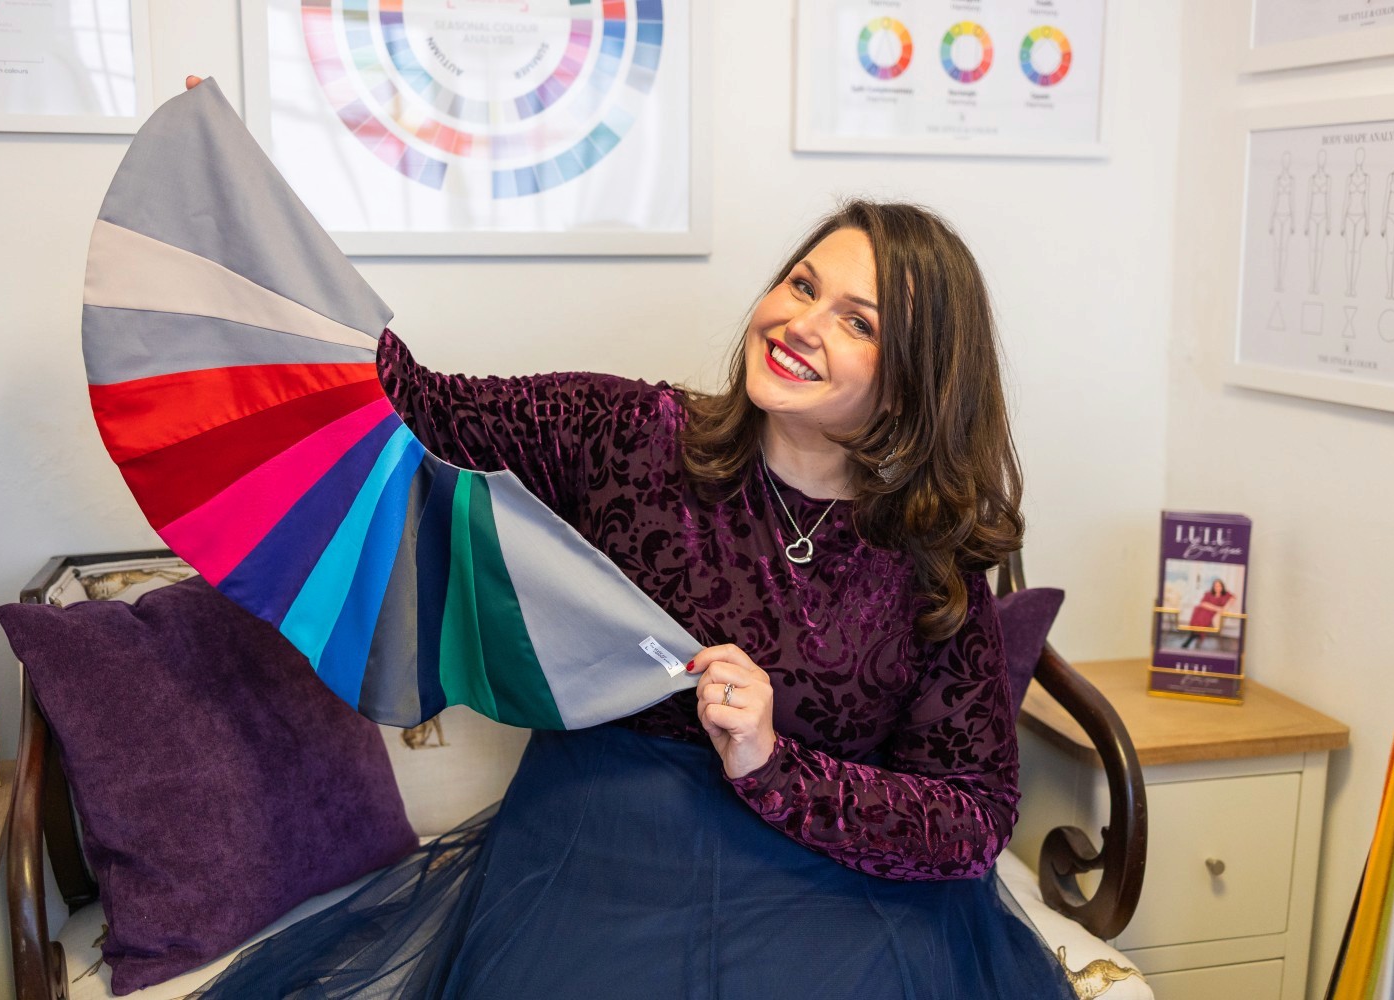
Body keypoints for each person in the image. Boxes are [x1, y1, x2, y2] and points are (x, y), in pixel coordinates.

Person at [181, 79, 1072, 1000]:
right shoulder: (625, 432)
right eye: (803, 285)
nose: (801, 324)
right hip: (595, 869)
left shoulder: (930, 559)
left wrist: (775, 763)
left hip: (821, 892)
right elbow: (409, 406)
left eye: (858, 322)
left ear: (915, 382)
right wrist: (238, 216)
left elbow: (973, 815)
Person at [1180, 578, 1234, 649]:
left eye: (1219, 586)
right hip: (1203, 610)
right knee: (1199, 616)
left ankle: (1192, 637)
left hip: (1212, 613)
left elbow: (1233, 598)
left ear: (1222, 587)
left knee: (1203, 618)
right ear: (1213, 587)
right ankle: (1194, 635)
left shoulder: (1226, 594)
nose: (1217, 588)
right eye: (1215, 586)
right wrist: (1217, 608)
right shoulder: (1208, 593)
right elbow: (1203, 603)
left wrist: (1224, 608)